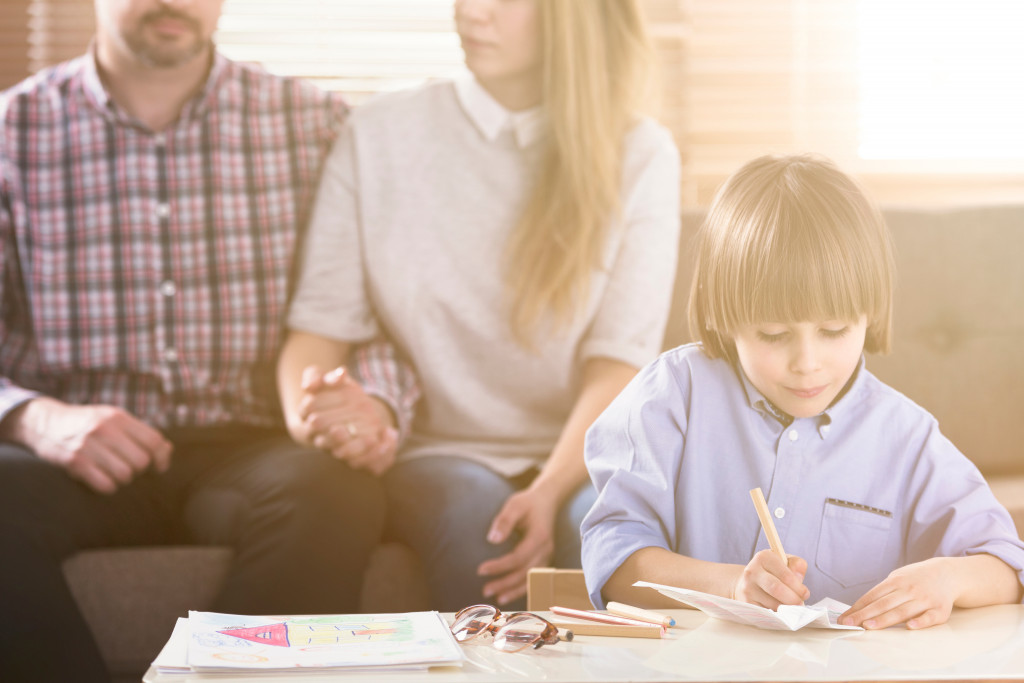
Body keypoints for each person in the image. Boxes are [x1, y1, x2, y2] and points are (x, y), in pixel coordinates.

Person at [0, 1, 417, 680]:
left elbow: (382, 310)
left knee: (333, 490)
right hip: (79, 454)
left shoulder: (314, 124)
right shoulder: (14, 131)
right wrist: (36, 416)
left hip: (253, 449)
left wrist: (375, 404)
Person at [278, 0, 681, 610]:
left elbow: (619, 364)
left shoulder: (641, 152)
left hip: (579, 449)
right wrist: (315, 415)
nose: (471, 13)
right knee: (476, 518)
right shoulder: (379, 133)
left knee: (599, 529)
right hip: (436, 452)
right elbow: (316, 333)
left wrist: (547, 490)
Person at [581, 154, 1024, 629]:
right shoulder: (672, 396)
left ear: (869, 315)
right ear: (722, 316)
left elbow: (1007, 567)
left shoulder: (906, 437)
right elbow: (614, 560)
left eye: (834, 330)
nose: (807, 363)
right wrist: (730, 587)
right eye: (773, 335)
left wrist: (948, 579)